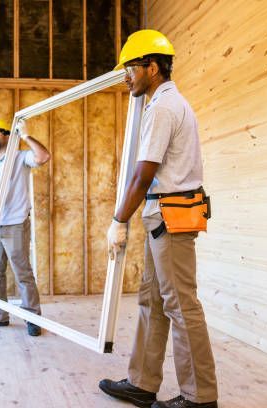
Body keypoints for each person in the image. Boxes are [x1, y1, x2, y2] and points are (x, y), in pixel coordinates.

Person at [98, 30, 218, 408]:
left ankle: (200, 398)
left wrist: (119, 219)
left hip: (172, 216)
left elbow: (143, 174)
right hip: (159, 217)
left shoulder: (164, 107)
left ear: (153, 67)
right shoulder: (158, 104)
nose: (127, 77)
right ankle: (142, 382)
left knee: (182, 306)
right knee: (152, 300)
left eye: (131, 68)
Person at [0, 118, 50, 337]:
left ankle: (32, 318)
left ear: (7, 135)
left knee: (22, 272)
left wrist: (25, 135)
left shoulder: (20, 157)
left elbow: (43, 157)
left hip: (15, 224)